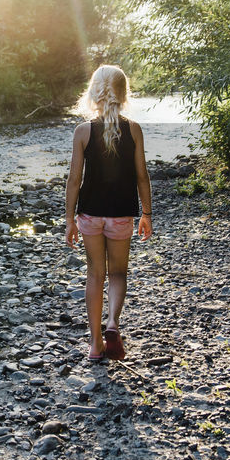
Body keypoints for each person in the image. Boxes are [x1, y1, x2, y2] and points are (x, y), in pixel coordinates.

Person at [64, 64, 152, 361]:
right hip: (121, 216)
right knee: (117, 273)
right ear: (124, 94)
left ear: (93, 94)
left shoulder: (83, 132)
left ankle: (95, 343)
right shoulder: (134, 130)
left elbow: (74, 180)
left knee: (94, 274)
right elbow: (142, 176)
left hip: (89, 215)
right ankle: (113, 323)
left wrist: (69, 220)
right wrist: (147, 214)